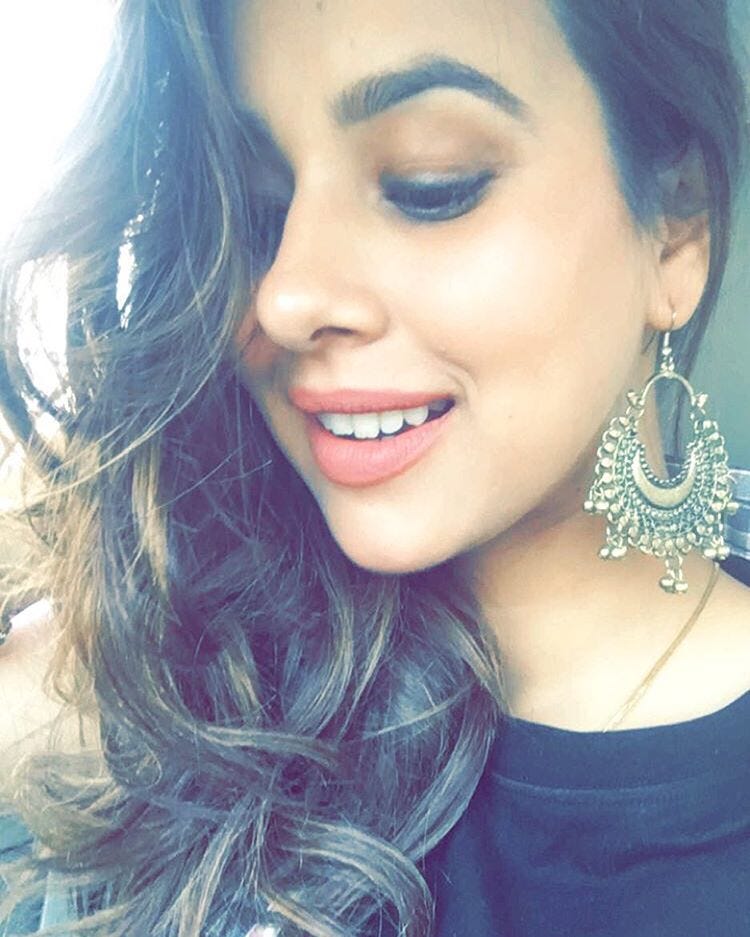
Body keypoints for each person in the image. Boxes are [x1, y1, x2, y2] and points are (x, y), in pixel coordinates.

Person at [1, 1, 749, 935]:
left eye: (430, 185)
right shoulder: (180, 666)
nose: (285, 297)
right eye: (261, 208)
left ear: (675, 231)